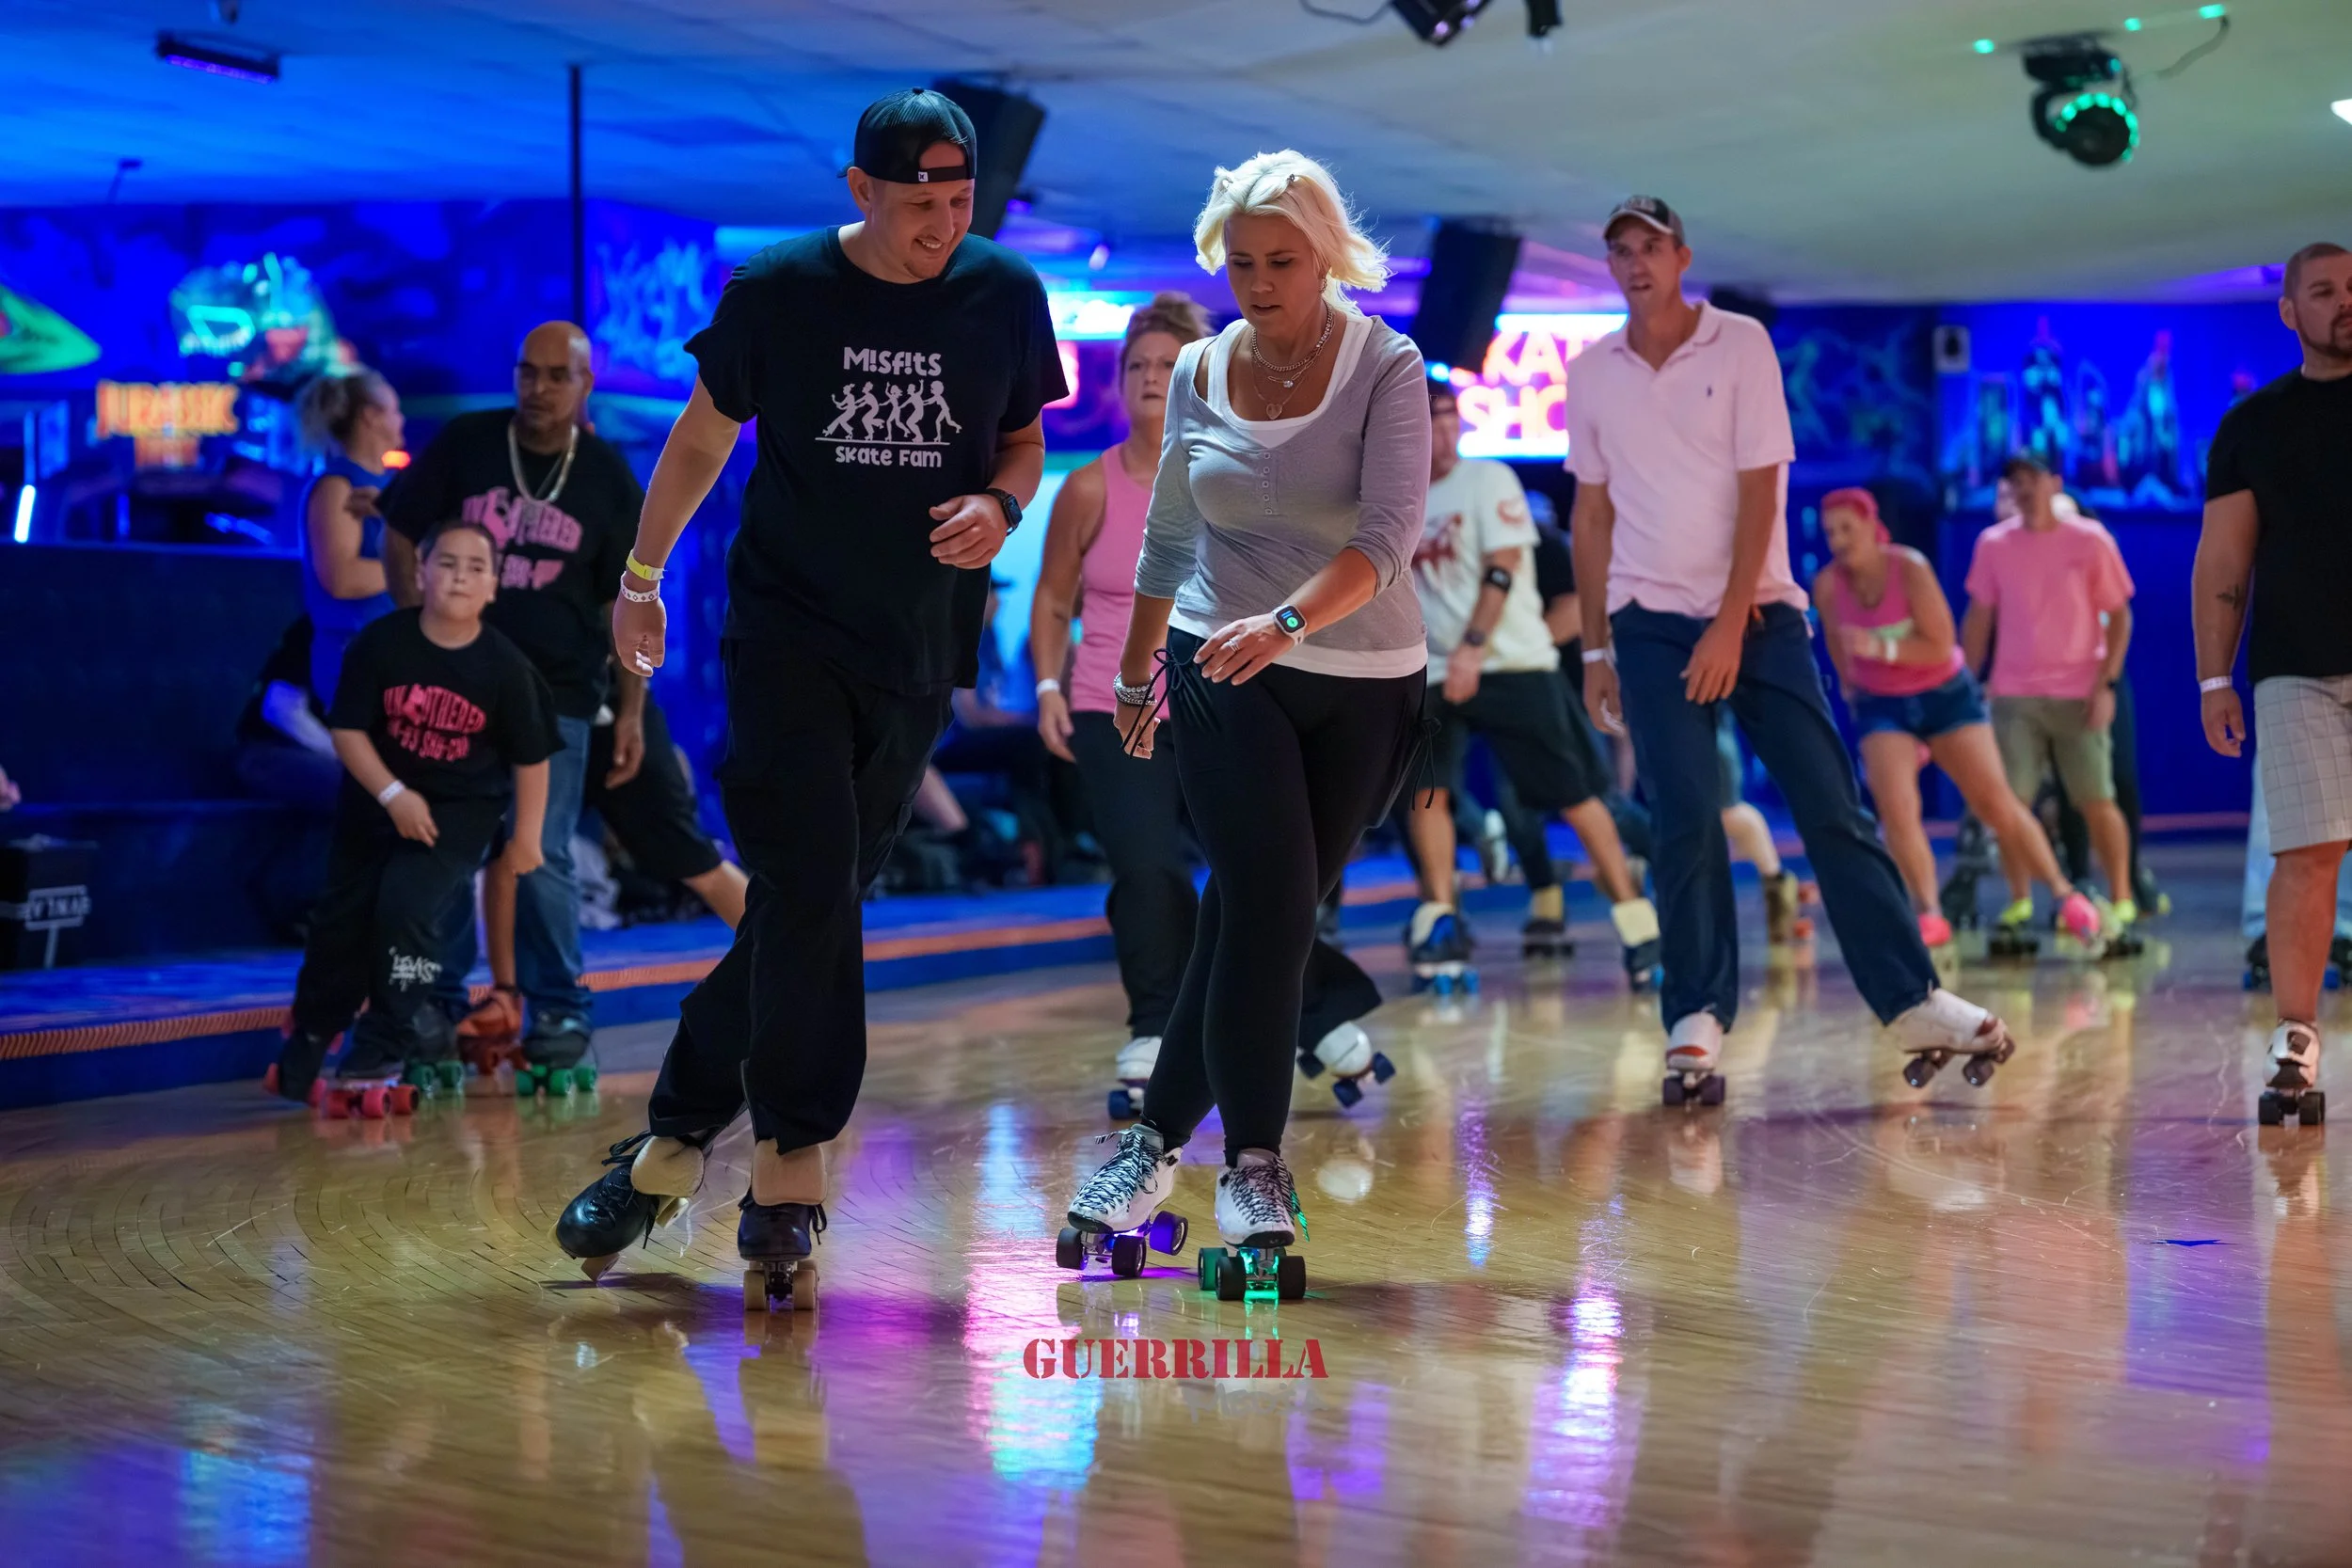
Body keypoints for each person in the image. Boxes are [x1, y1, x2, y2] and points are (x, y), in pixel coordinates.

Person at [551, 88, 1066, 1287]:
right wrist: (638, 574)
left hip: (919, 650)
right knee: (810, 882)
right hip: (785, 638)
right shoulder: (779, 291)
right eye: (917, 204)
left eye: (959, 202)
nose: (941, 226)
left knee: (808, 903)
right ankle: (791, 1162)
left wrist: (1002, 504)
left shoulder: (1002, 293)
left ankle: (669, 1141)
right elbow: (697, 436)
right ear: (858, 190)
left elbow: (1023, 439)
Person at [1058, 149, 1428, 1289]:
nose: (1260, 281)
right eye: (1242, 262)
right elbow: (1169, 534)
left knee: (1254, 912)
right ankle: (1255, 1164)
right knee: (1267, 898)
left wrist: (1284, 618)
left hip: (1364, 673)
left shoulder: (1387, 365)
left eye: (1283, 260)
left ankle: (1147, 1146)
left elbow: (1385, 540)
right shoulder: (1209, 367)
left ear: (1326, 254)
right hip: (1220, 659)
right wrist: (1132, 675)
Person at [1565, 195, 2013, 1099]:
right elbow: (1591, 512)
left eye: (1650, 246)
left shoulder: (1740, 345)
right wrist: (1595, 649)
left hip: (1760, 614)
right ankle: (1695, 1013)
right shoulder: (1592, 372)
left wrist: (1731, 623)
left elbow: (1763, 492)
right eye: (1619, 251)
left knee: (1829, 806)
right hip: (1648, 621)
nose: (1635, 262)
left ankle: (1911, 997)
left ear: (1683, 255)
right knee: (1686, 815)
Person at [1032, 290, 1390, 1115]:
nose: (1151, 379)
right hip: (1111, 700)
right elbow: (1053, 601)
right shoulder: (1086, 491)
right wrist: (1050, 685)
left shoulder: (1236, 479)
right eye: (1136, 367)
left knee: (1251, 876)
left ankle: (1319, 1006)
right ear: (1117, 383)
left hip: (1220, 693)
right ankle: (1155, 1027)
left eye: (1166, 364)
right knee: (1148, 866)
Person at [383, 323, 644, 1080]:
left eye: (557, 377)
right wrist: (414, 630)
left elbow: (627, 600)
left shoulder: (602, 475)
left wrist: (630, 711)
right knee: (448, 847)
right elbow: (399, 531)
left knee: (542, 851)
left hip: (560, 691)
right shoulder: (468, 442)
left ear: (585, 386)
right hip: (456, 687)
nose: (539, 389)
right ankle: (432, 1002)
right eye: (528, 373)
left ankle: (558, 1007)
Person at [266, 519, 558, 1105]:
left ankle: (385, 1040)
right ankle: (315, 1028)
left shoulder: (507, 668)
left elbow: (532, 759)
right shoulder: (381, 644)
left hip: (458, 814)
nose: (460, 577)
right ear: (420, 573)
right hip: (375, 803)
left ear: (494, 586)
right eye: (446, 563)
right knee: (340, 924)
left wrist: (526, 835)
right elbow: (346, 730)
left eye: (476, 567)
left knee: (406, 909)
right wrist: (394, 795)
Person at [1406, 378, 1661, 984]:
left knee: (1573, 793)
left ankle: (1635, 919)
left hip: (1512, 661)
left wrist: (1472, 648)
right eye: (1427, 419)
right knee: (1425, 792)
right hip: (1432, 669)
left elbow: (1503, 568)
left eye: (1449, 418)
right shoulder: (1396, 495)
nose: (1441, 432)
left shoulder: (1489, 478)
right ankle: (1441, 913)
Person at [2193, 241, 2352, 1120]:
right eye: (2324, 291)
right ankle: (2296, 1038)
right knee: (2308, 853)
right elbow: (2223, 560)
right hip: (2296, 668)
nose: (2344, 302)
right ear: (2290, 311)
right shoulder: (2252, 428)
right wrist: (2214, 677)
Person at [1811, 486, 2103, 953]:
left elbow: (1942, 643)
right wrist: (1853, 689)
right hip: (1882, 704)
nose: (1840, 539)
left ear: (1872, 527)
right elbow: (1834, 642)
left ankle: (2066, 896)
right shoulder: (1828, 585)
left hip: (1943, 695)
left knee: (1995, 803)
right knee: (1896, 809)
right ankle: (1929, 911)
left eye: (1848, 528)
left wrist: (1881, 649)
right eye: (1831, 532)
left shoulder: (1909, 569)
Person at [453, 675, 750, 1056]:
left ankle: (792, 974)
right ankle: (508, 997)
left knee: (689, 853)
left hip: (607, 702)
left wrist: (630, 714)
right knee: (515, 844)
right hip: (534, 711)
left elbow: (628, 621)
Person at [1961, 453, 2138, 942]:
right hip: (2014, 694)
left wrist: (2105, 684)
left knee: (2096, 799)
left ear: (2055, 483)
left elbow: (2120, 617)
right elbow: (1979, 620)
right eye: (2013, 481)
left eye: (2031, 479)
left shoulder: (2089, 540)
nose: (2022, 489)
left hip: (2079, 691)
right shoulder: (1994, 545)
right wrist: (1960, 682)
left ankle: (2121, 896)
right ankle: (2019, 901)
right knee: (2010, 803)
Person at [293, 367, 403, 707]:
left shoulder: (391, 488)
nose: (402, 420)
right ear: (371, 417)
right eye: (395, 410)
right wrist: (414, 568)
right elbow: (342, 578)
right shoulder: (336, 487)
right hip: (354, 657)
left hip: (390, 654)